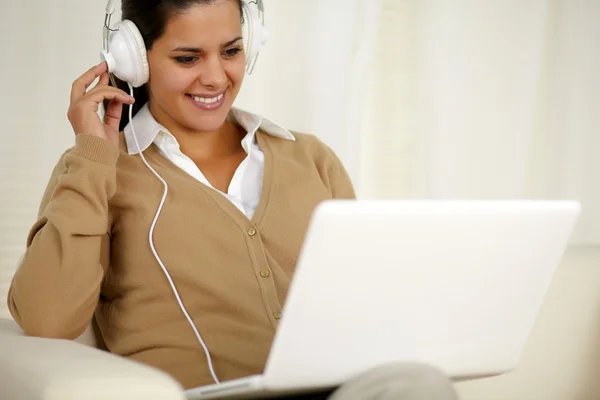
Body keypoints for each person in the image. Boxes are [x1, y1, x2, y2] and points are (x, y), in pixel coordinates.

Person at [6, 1, 459, 399]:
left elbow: (369, 298)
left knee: (419, 384)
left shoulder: (310, 158)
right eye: (187, 58)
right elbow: (47, 320)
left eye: (231, 51)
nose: (216, 77)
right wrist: (94, 154)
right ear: (135, 61)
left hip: (341, 391)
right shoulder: (99, 168)